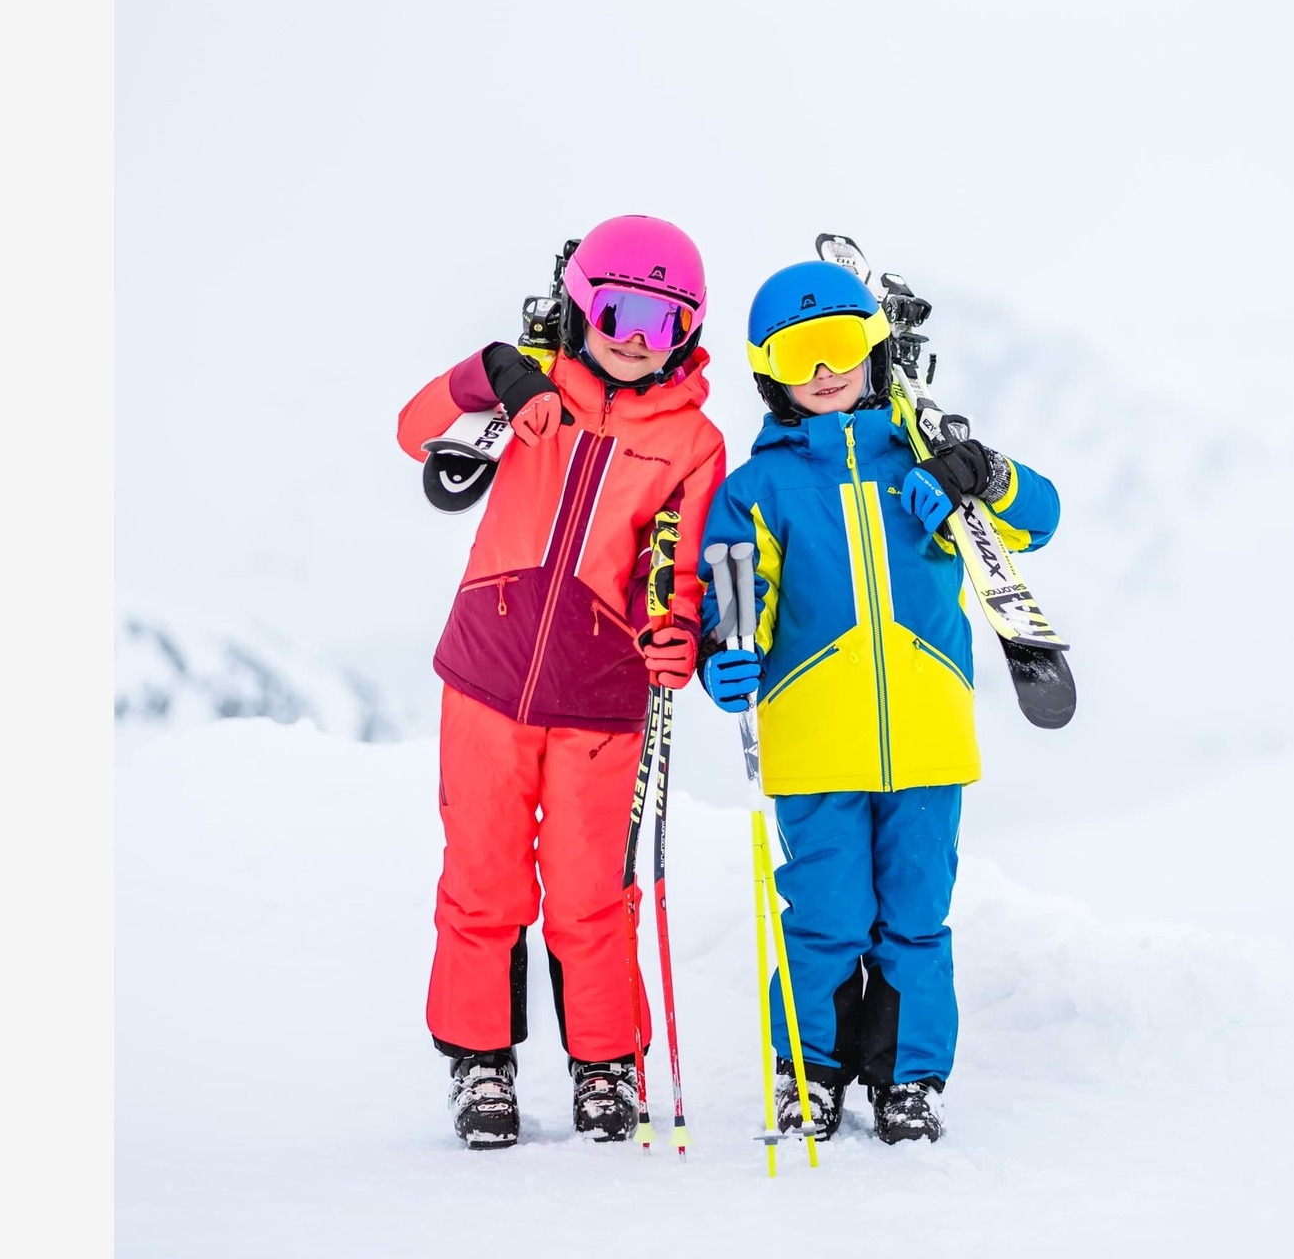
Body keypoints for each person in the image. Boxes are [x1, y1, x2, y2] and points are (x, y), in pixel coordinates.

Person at [697, 259, 1059, 1146]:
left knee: (915, 920)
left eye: (840, 345)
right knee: (826, 919)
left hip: (928, 739)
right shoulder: (758, 490)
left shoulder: (928, 463)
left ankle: (908, 1080)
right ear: (769, 374)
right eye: (799, 354)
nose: (825, 370)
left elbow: (1039, 519)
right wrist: (724, 655)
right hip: (813, 742)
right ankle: (812, 1074)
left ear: (875, 347)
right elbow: (735, 598)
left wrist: (981, 473)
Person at [398, 216, 726, 1150]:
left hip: (602, 698)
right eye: (618, 312)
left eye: (663, 322)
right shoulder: (529, 390)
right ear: (581, 306)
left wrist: (676, 634)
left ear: (688, 333)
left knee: (591, 895)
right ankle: (480, 1061)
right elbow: (416, 432)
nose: (636, 338)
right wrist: (492, 373)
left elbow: (677, 568)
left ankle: (606, 1064)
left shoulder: (693, 442)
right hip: (486, 678)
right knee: (481, 881)